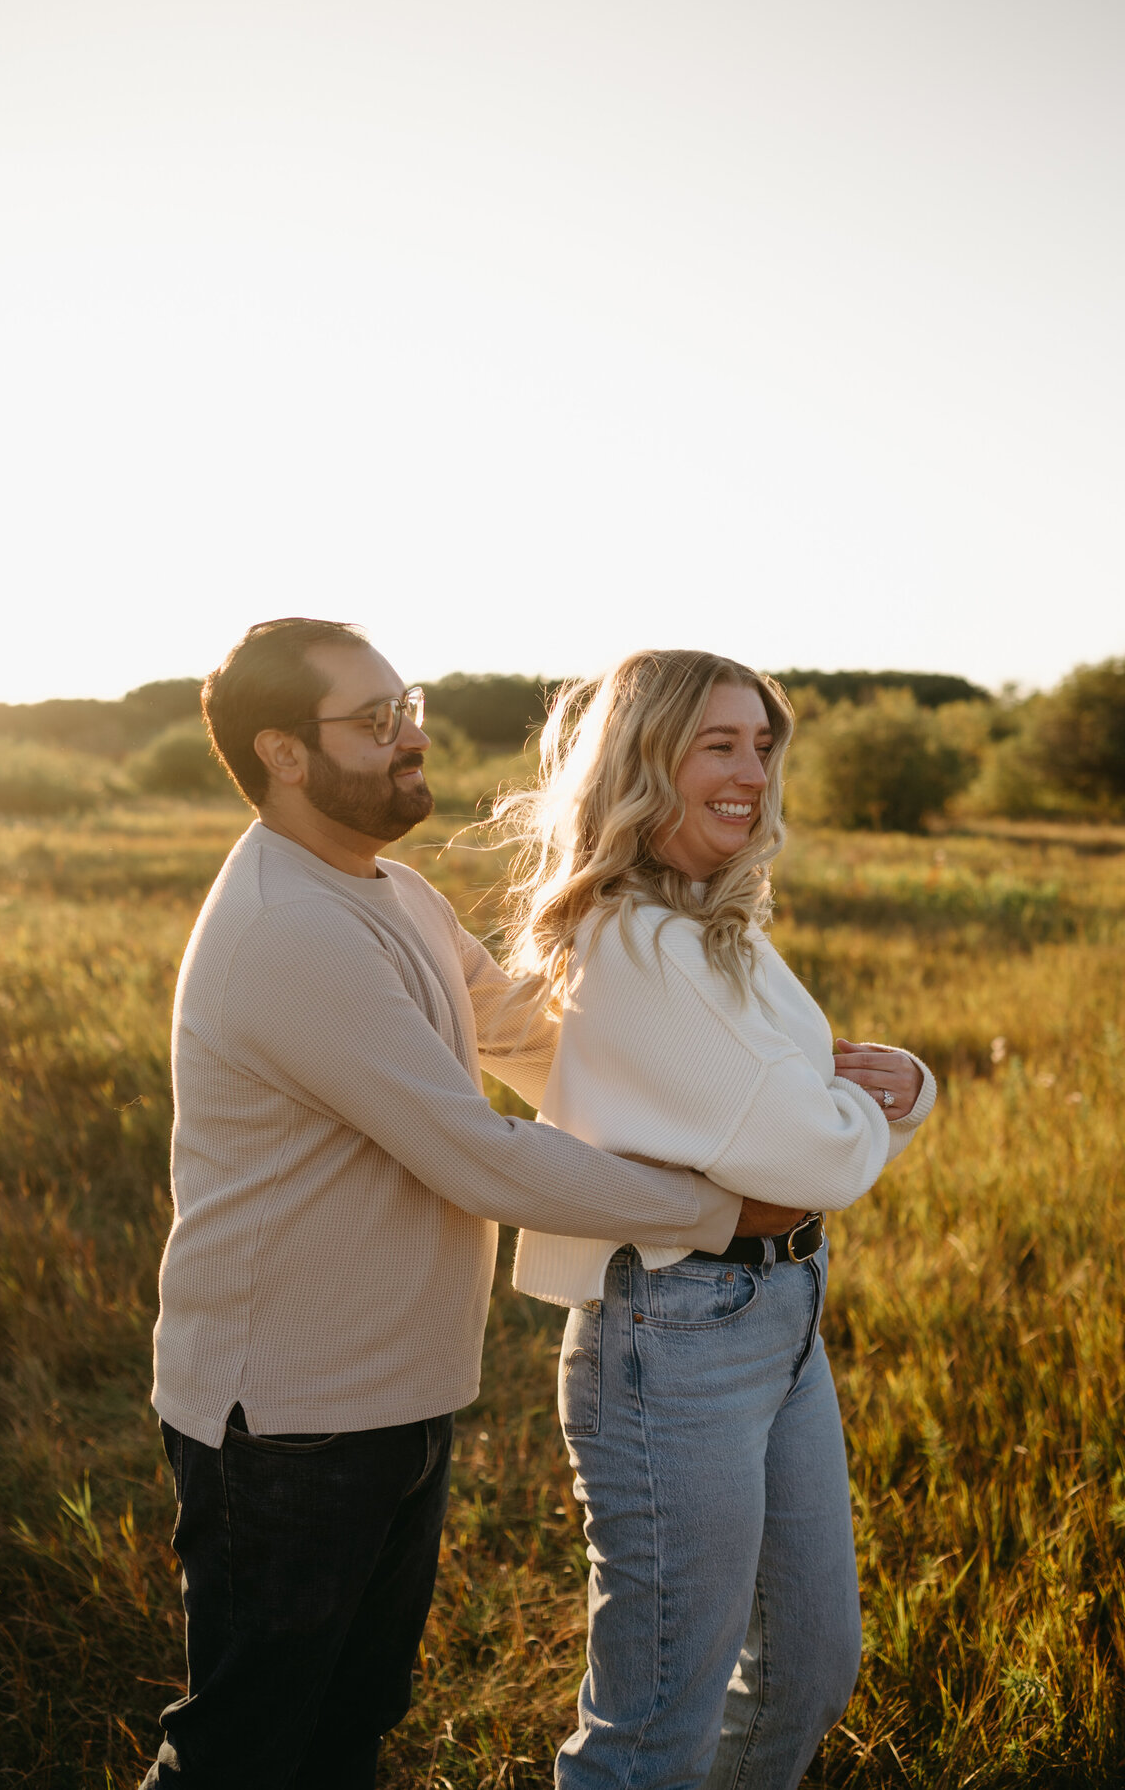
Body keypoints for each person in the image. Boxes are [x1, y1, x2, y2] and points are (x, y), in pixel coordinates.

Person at [141, 619, 779, 1790]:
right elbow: (477, 1153)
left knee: (349, 1723)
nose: (413, 736)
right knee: (244, 1746)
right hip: (285, 1412)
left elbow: (537, 1035)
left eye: (409, 703)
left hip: (392, 1391)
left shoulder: (390, 890)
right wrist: (708, 1208)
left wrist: (778, 1071)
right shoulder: (291, 926)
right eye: (377, 721)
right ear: (283, 752)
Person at [500, 649, 937, 1790]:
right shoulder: (635, 941)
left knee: (806, 1664)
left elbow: (822, 1124)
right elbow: (823, 1148)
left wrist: (889, 1092)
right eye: (717, 744)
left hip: (779, 1310)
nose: (751, 771)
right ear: (645, 760)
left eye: (760, 744)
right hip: (675, 1338)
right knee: (655, 1723)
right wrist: (890, 1102)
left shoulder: (712, 924)